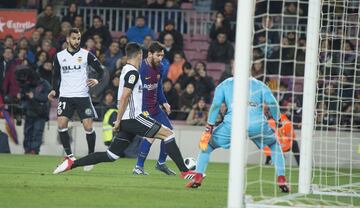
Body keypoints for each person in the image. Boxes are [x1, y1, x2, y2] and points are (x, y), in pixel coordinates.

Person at [52, 43, 195, 181]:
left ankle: (71, 164)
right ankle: (185, 172)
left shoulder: (126, 70)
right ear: (139, 55)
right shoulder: (132, 72)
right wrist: (119, 120)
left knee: (111, 155)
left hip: (128, 120)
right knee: (168, 134)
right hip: (133, 118)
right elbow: (125, 96)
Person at [186, 76, 290, 193]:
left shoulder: (224, 84)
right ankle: (281, 178)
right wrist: (278, 120)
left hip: (233, 124)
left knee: (207, 145)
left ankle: (198, 177)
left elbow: (216, 105)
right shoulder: (260, 84)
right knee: (274, 145)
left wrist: (210, 126)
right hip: (257, 125)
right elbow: (272, 102)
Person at [48, 28, 104, 172]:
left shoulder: (86, 55)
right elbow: (55, 76)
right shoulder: (59, 56)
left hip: (82, 96)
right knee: (61, 125)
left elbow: (101, 70)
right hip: (65, 96)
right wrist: (54, 89)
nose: (77, 41)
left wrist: (97, 79)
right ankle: (70, 156)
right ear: (68, 39)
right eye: (74, 38)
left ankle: (90, 158)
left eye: (78, 38)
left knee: (88, 127)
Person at [133, 41, 176, 175]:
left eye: (162, 56)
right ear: (150, 54)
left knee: (169, 133)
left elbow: (158, 88)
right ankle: (138, 167)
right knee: (151, 135)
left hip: (155, 108)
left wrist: (164, 102)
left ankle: (161, 163)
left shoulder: (161, 67)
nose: (160, 58)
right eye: (158, 55)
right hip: (142, 108)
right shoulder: (140, 68)